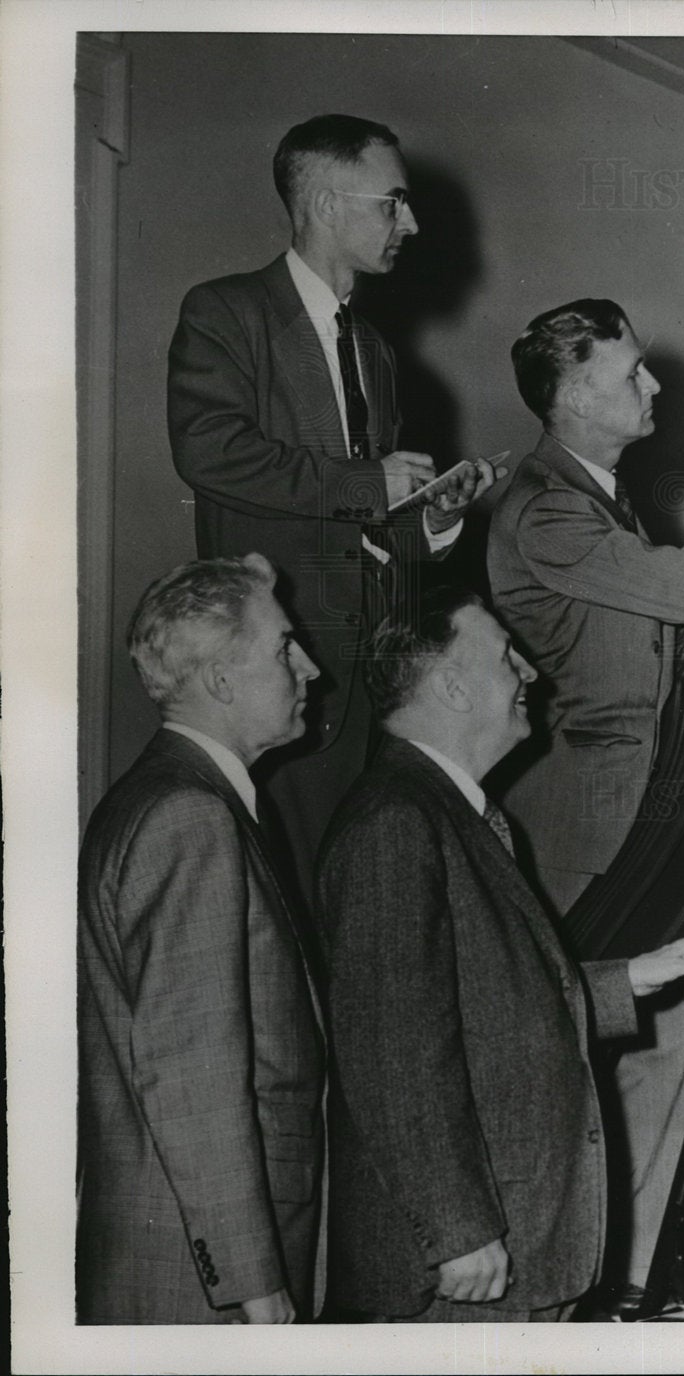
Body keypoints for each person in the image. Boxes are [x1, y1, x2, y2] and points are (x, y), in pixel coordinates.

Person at [317, 586, 684, 1322]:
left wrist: (632, 978)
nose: (530, 674)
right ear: (451, 685)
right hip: (463, 1274)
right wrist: (456, 1230)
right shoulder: (395, 821)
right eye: (507, 654)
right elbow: (393, 1050)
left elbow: (487, 1002)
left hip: (513, 1255)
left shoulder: (451, 814)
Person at [487, 298, 684, 1298]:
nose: (654, 387)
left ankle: (641, 1293)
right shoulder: (546, 508)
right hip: (587, 842)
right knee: (581, 1075)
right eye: (632, 374)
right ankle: (570, 1299)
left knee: (678, 1039)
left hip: (654, 828)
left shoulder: (608, 500)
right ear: (571, 395)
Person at [167, 112, 501, 913]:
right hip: (281, 665)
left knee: (368, 898)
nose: (410, 224)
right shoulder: (226, 312)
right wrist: (367, 483)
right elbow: (210, 451)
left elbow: (376, 521)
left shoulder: (376, 352)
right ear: (322, 202)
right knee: (291, 901)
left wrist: (434, 517)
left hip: (377, 670)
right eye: (393, 203)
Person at [78, 554, 324, 1324]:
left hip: (183, 1249)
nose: (310, 668)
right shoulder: (191, 817)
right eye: (285, 647)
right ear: (220, 680)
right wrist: (254, 1283)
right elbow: (191, 1071)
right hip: (200, 1279)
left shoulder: (163, 798)